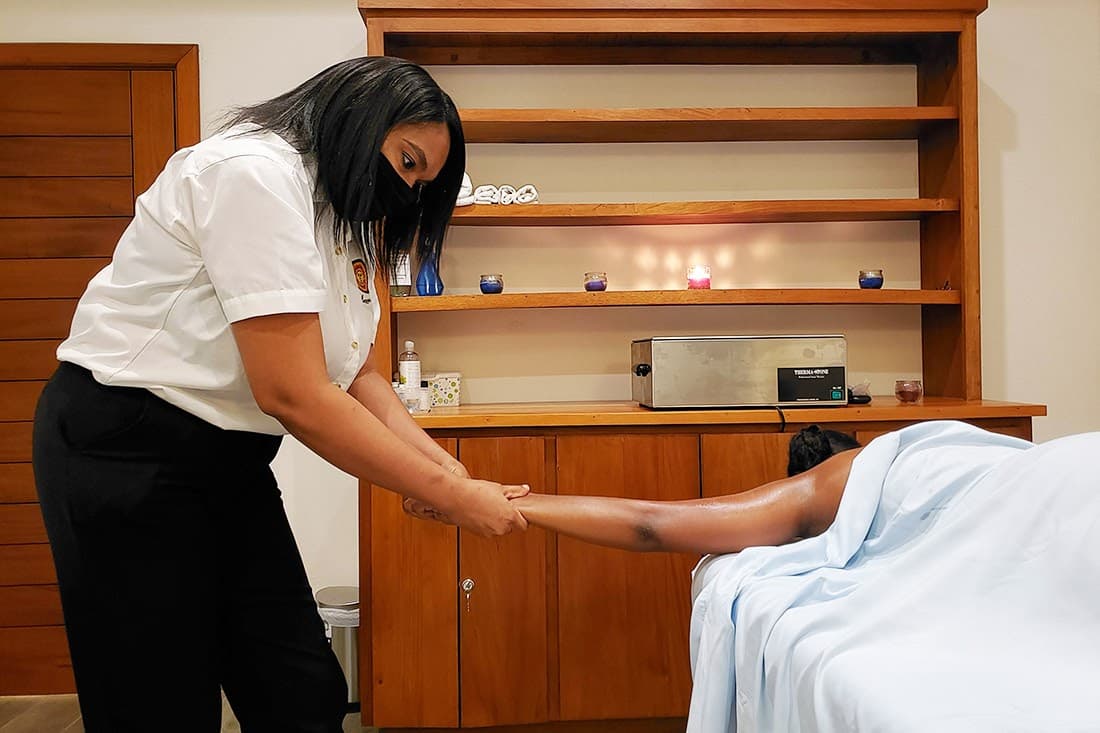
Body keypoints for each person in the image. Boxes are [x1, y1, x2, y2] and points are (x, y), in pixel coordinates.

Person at [32, 57, 527, 733]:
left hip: (227, 460)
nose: (408, 192)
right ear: (358, 120)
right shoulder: (253, 176)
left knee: (300, 690)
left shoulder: (342, 220)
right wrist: (450, 497)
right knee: (157, 700)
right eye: (408, 164)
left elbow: (359, 376)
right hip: (126, 444)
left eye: (423, 182)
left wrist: (447, 470)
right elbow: (294, 393)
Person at [404, 426, 863, 556]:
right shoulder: (843, 484)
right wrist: (459, 495)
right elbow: (650, 525)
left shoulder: (857, 473)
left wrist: (460, 495)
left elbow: (651, 525)